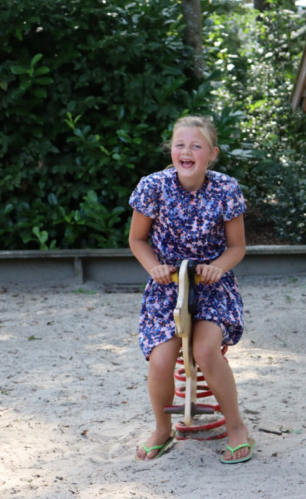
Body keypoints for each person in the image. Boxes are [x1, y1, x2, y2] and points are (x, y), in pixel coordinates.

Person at [128, 115, 254, 463]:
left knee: (206, 351)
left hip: (213, 284)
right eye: (180, 145)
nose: (187, 151)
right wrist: (154, 266)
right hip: (167, 284)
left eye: (196, 146)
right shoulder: (153, 186)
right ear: (170, 150)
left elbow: (236, 247)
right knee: (161, 359)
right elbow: (137, 239)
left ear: (211, 154)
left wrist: (217, 267)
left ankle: (236, 427)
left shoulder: (226, 189)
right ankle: (162, 428)